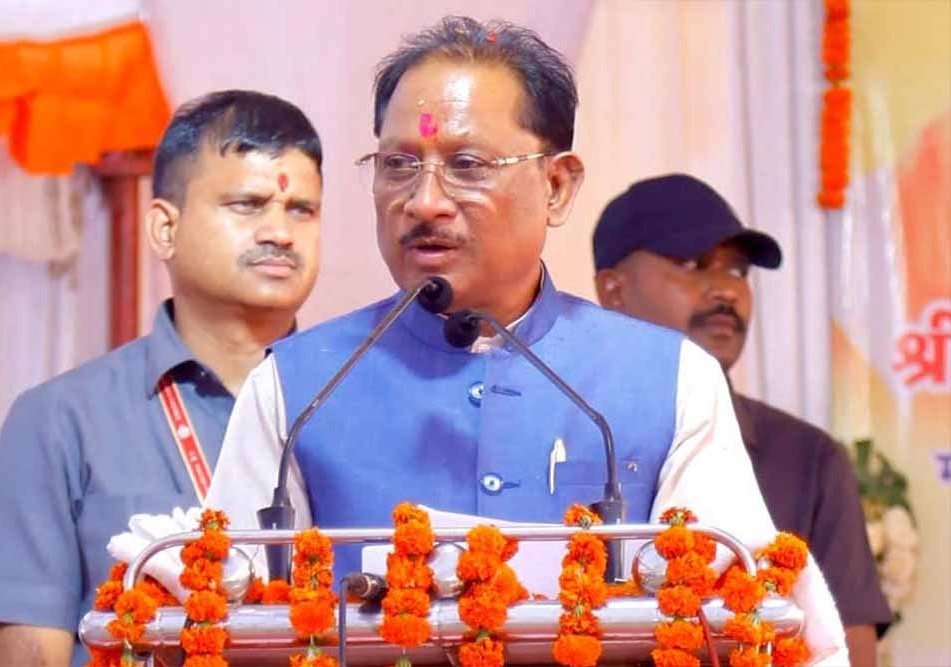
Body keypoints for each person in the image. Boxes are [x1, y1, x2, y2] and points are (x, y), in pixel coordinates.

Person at [210, 17, 848, 663]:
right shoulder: (299, 384)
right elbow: (221, 615)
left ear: (557, 187)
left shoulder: (672, 379)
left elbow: (740, 621)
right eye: (398, 164)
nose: (424, 201)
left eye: (466, 165)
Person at [0, 90, 323, 667]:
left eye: (302, 210)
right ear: (164, 228)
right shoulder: (61, 421)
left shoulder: (351, 406)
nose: (280, 232)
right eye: (248, 205)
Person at [592, 173, 891, 667]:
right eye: (692, 264)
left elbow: (848, 646)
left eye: (738, 271)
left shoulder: (808, 459)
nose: (727, 290)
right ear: (614, 290)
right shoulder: (566, 438)